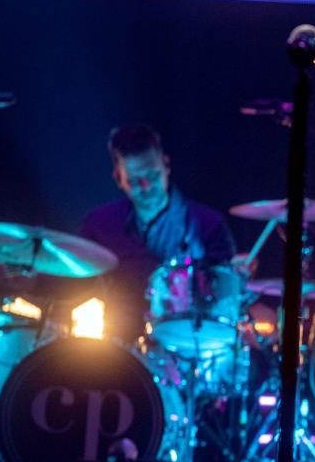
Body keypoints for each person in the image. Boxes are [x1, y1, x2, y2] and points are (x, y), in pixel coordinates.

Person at [81, 123, 237, 344]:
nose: (146, 186)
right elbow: (73, 285)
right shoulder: (100, 224)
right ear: (118, 178)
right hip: (118, 350)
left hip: (188, 347)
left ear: (166, 164)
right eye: (134, 180)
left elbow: (225, 296)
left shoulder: (208, 225)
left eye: (152, 176)